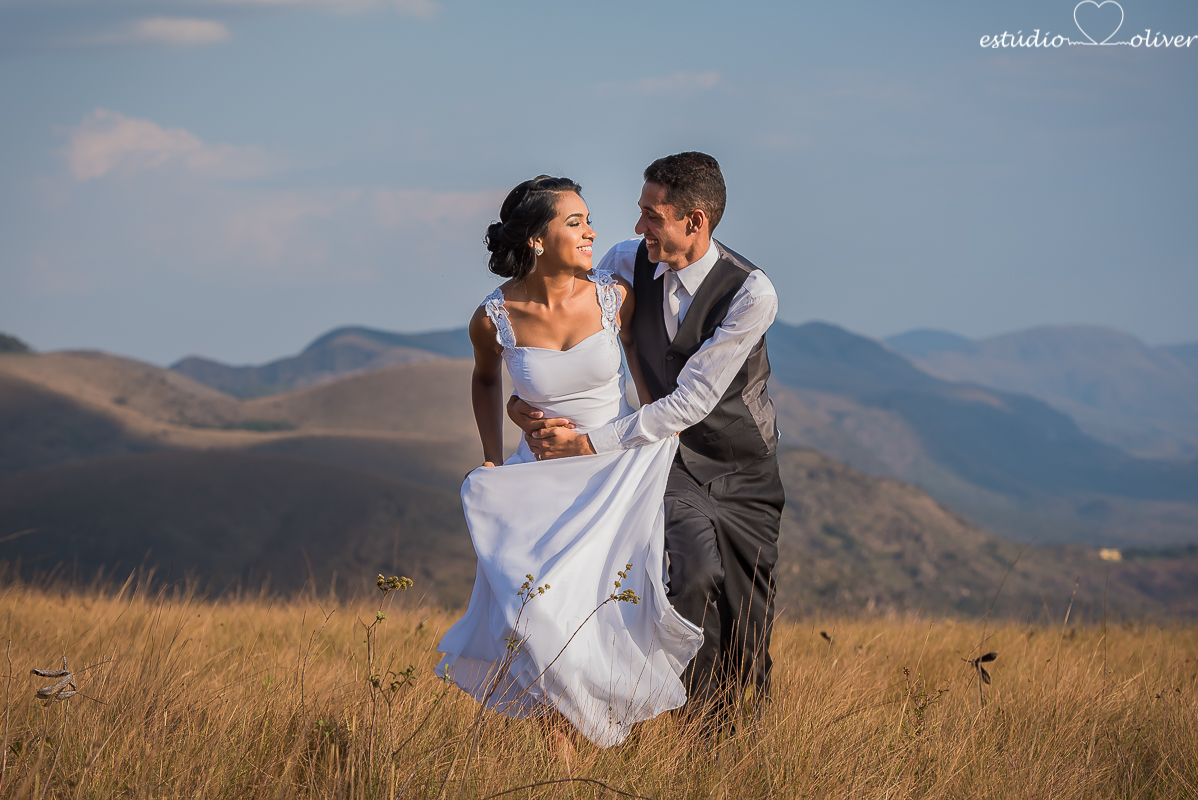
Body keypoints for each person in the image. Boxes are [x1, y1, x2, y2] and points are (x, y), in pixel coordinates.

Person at [509, 152, 784, 723]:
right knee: (693, 574)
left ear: (695, 221)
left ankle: (741, 740)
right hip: (664, 457)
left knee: (749, 613)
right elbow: (567, 328)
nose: (638, 227)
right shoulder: (623, 263)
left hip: (744, 469)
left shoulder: (751, 292)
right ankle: (689, 724)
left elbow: (691, 401)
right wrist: (524, 400)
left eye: (652, 216)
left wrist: (588, 443)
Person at [434, 175, 703, 748]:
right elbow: (486, 380)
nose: (591, 233)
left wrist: (655, 433)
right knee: (541, 619)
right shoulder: (493, 317)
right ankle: (564, 767)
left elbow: (642, 371)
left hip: (612, 480)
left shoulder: (614, 297)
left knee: (604, 618)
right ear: (537, 238)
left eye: (588, 220)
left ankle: (597, 752)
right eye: (575, 222)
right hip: (537, 487)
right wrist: (493, 460)